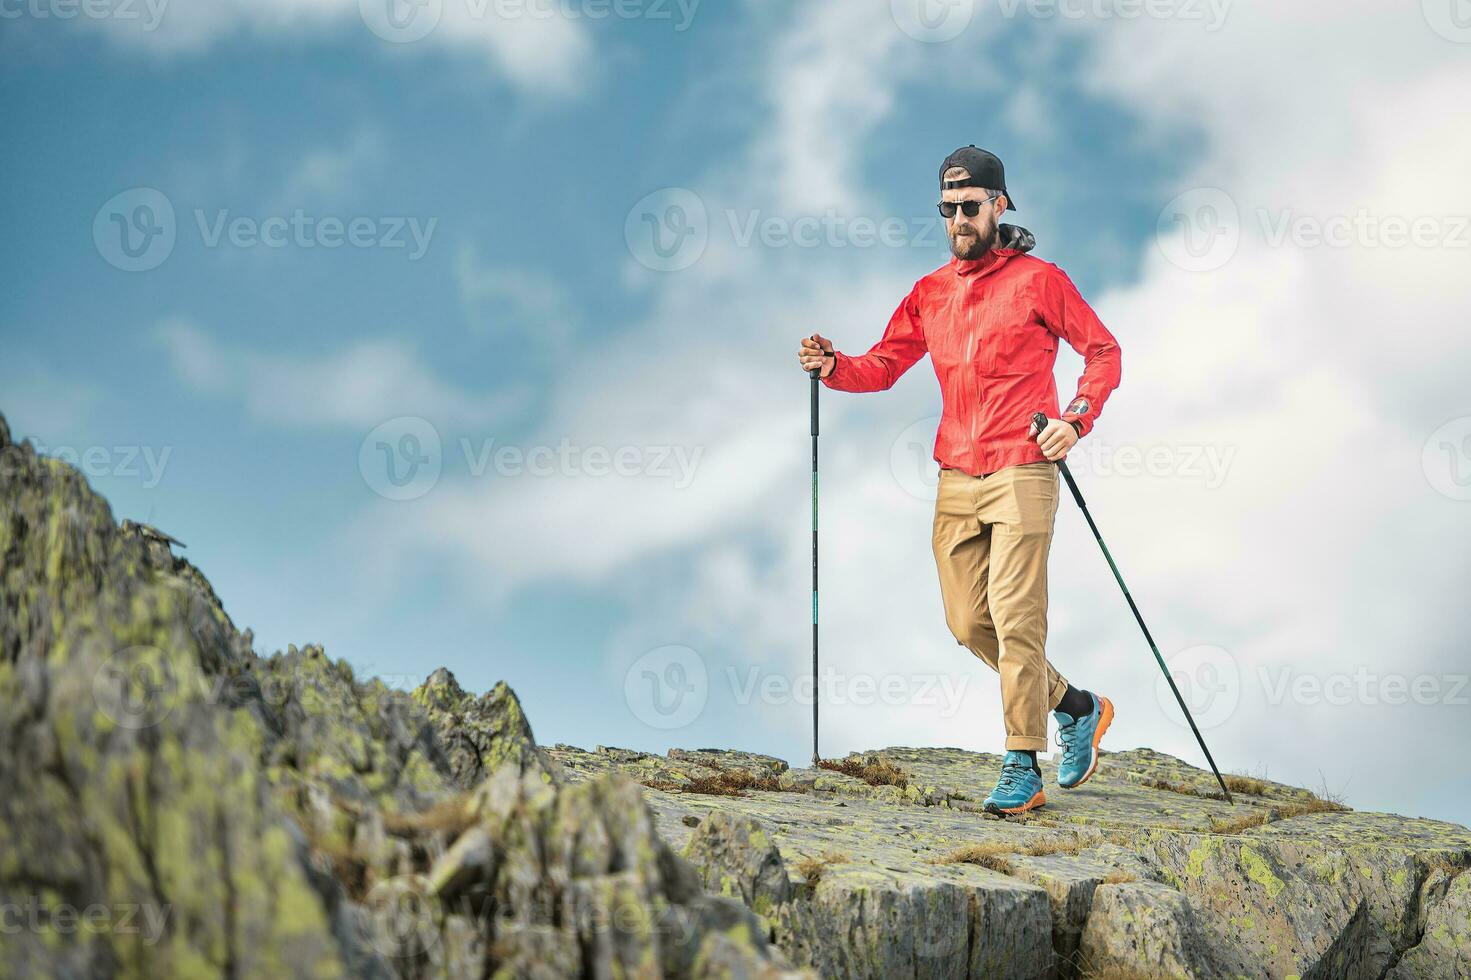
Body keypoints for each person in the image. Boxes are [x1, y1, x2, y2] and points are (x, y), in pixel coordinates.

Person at [795, 146, 1123, 815]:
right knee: (969, 623)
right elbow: (884, 364)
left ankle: (1020, 762)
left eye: (969, 207)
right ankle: (1078, 707)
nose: (957, 221)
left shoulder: (1038, 281)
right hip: (956, 477)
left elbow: (1101, 350)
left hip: (1022, 467)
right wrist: (833, 366)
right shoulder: (929, 293)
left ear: (998, 205)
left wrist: (1076, 418)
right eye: (947, 209)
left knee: (1014, 614)